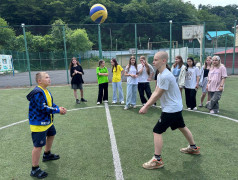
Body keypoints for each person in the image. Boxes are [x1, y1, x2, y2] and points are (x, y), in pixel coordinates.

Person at [139, 51, 200, 170]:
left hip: (171, 109)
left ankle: (157, 160)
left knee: (157, 131)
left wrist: (146, 106)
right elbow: (156, 91)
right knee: (181, 126)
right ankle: (193, 148)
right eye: (154, 59)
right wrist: (147, 104)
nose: (153, 61)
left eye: (156, 60)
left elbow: (157, 94)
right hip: (175, 107)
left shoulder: (166, 75)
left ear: (164, 61)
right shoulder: (161, 74)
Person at [26, 72, 67, 179]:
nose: (49, 79)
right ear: (39, 81)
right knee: (38, 146)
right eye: (47, 77)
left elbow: (50, 104)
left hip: (47, 122)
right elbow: (43, 108)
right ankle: (34, 169)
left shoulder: (45, 90)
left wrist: (58, 107)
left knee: (52, 133)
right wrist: (58, 110)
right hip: (39, 124)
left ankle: (47, 154)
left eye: (49, 77)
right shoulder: (37, 92)